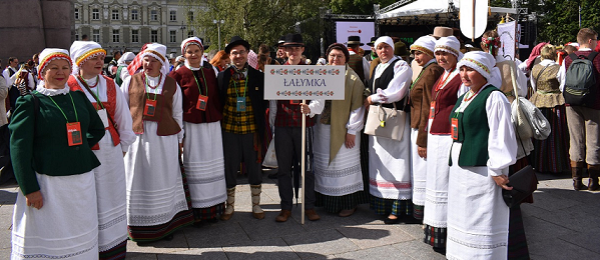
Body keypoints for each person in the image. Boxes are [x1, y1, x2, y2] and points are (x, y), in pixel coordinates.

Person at [9, 48, 106, 259]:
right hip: (47, 183)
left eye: (65, 68)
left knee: (79, 230)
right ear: (42, 72)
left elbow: (97, 129)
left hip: (81, 181)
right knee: (51, 232)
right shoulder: (30, 103)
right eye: (53, 68)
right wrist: (29, 188)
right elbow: (19, 149)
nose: (60, 72)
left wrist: (76, 149)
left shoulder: (78, 97)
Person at [446, 51, 517, 260]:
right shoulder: (465, 96)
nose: (464, 74)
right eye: (462, 69)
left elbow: (501, 135)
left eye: (470, 70)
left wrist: (497, 169)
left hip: (482, 171)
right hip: (462, 171)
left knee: (482, 216)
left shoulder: (494, 97)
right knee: (464, 215)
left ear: (484, 72)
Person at [68, 41, 135, 259]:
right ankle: (86, 248)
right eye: (94, 58)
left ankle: (112, 247)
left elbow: (123, 117)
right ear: (80, 62)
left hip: (108, 149)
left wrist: (123, 146)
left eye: (101, 57)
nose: (100, 62)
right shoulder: (68, 85)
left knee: (111, 195)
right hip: (81, 149)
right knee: (85, 196)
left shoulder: (109, 84)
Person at [121, 43, 194, 243]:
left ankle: (164, 225)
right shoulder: (130, 82)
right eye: (146, 59)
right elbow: (121, 112)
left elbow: (177, 112)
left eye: (154, 60)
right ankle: (137, 227)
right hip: (138, 139)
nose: (149, 64)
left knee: (162, 179)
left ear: (161, 63)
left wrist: (180, 139)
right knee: (138, 179)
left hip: (165, 140)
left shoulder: (172, 84)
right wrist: (123, 140)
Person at [169, 37, 227, 225]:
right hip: (192, 127)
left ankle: (215, 208)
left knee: (214, 165)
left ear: (202, 52)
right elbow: (174, 104)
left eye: (196, 51)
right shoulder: (178, 75)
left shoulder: (212, 71)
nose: (193, 55)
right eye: (189, 51)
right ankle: (197, 211)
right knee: (195, 167)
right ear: (183, 54)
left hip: (212, 125)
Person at [308, 43, 367, 217]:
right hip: (323, 128)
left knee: (343, 166)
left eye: (339, 56)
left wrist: (351, 131)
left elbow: (357, 108)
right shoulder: (321, 74)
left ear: (345, 59)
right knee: (326, 165)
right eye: (332, 55)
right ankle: (326, 202)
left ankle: (348, 204)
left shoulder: (352, 79)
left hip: (343, 129)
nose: (335, 59)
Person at [270, 33, 321, 222]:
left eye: (297, 48)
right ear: (284, 50)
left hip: (304, 124)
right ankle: (286, 207)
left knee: (306, 168)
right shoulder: (277, 72)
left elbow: (319, 97)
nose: (293, 52)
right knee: (284, 169)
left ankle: (308, 206)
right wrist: (273, 125)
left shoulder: (311, 71)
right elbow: (273, 102)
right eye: (290, 48)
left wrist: (311, 108)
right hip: (283, 125)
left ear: (302, 50)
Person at [217, 36, 268, 221]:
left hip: (252, 130)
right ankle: (230, 206)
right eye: (234, 53)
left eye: (241, 52)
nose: (238, 56)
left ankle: (256, 205)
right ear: (229, 56)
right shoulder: (222, 77)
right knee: (230, 168)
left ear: (247, 54)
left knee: (254, 167)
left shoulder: (259, 77)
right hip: (229, 130)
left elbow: (265, 104)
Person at [365, 36, 413, 224]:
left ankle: (398, 207)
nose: (383, 51)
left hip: (394, 119)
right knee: (380, 163)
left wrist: (372, 98)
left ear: (392, 49)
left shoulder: (401, 66)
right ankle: (382, 204)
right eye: (379, 48)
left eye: (386, 47)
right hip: (379, 119)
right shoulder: (377, 67)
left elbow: (397, 91)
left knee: (397, 162)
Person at [422, 35, 463, 253]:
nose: (440, 57)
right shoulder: (444, 75)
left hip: (448, 137)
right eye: (437, 53)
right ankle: (434, 229)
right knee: (436, 181)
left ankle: (447, 232)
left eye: (445, 53)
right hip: (436, 136)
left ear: (455, 54)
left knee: (445, 183)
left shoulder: (459, 77)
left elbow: (462, 108)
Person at [408, 36, 444, 221]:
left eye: (419, 52)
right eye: (414, 53)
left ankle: (425, 214)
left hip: (423, 129)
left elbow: (430, 106)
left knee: (424, 172)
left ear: (429, 52)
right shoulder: (427, 69)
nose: (415, 57)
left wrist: (422, 139)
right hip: (418, 126)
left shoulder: (432, 71)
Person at [562, 28, 600, 191]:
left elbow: (562, 81)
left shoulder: (568, 58)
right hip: (594, 103)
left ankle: (577, 180)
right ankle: (593, 181)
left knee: (576, 139)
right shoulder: (598, 58)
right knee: (593, 140)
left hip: (572, 103)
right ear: (590, 41)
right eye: (596, 39)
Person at [530, 44, 569, 174]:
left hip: (538, 101)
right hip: (556, 103)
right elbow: (563, 85)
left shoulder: (535, 68)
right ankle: (555, 165)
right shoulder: (559, 68)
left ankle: (539, 165)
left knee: (539, 132)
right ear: (554, 55)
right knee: (555, 134)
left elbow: (533, 86)